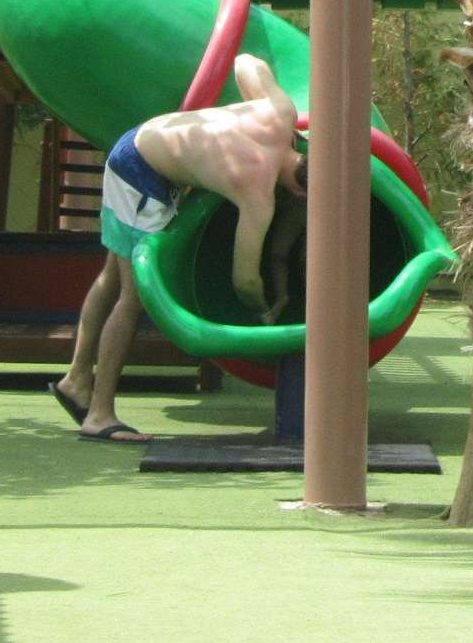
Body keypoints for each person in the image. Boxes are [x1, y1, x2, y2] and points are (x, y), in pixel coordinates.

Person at [49, 53, 304, 442]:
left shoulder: (281, 114)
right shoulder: (258, 193)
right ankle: (98, 414)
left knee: (111, 276)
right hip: (141, 176)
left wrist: (250, 108)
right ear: (301, 191)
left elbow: (244, 61)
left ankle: (76, 379)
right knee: (133, 297)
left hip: (139, 141)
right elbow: (245, 279)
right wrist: (263, 311)